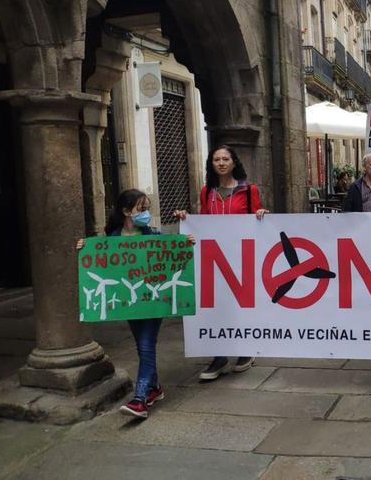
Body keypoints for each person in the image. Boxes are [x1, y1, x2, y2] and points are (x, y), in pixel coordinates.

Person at [77, 189, 193, 419]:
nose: (146, 213)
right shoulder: (112, 241)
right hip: (130, 304)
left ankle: (140, 398)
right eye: (141, 208)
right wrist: (84, 247)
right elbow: (98, 258)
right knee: (142, 346)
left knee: (147, 345)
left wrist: (186, 241)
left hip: (152, 302)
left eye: (147, 208)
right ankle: (154, 387)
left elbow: (176, 250)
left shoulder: (154, 236)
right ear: (126, 211)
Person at [174, 145, 268, 381]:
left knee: (241, 303)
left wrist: (262, 214)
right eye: (217, 159)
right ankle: (219, 355)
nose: (222, 163)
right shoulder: (207, 192)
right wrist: (188, 220)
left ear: (234, 162)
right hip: (215, 257)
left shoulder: (249, 190)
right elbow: (204, 221)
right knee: (216, 304)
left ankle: (245, 349)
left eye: (226, 158)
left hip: (241, 256)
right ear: (212, 164)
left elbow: (257, 217)